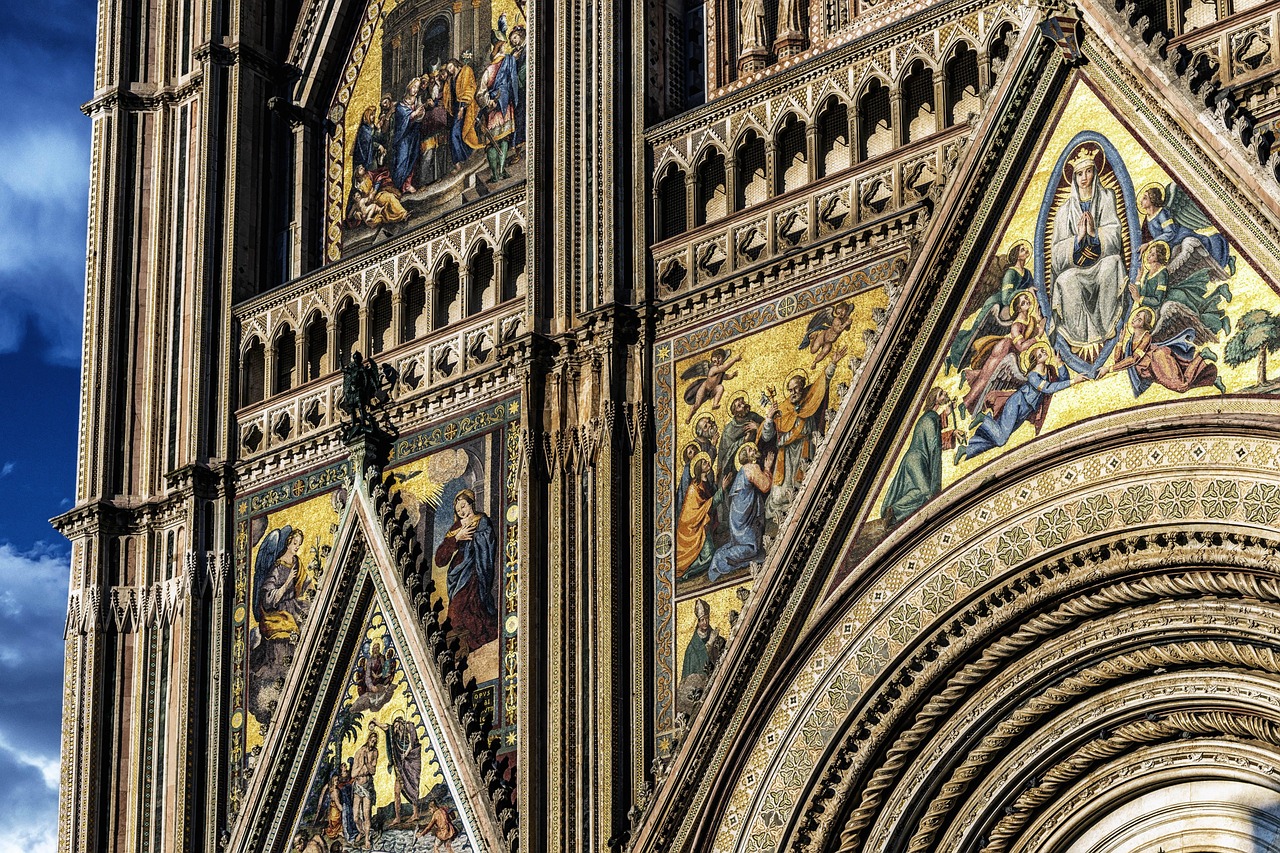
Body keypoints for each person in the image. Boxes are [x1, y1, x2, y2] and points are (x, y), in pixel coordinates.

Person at [1049, 143, 1130, 362]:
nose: (1084, 177)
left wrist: (1095, 234)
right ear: (1074, 178)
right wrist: (1077, 240)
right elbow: (1056, 257)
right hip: (1077, 268)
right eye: (1079, 174)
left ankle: (1106, 328)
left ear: (1095, 173)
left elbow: (1115, 234)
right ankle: (1078, 337)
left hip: (1101, 261)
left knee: (1112, 264)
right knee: (1066, 280)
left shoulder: (1106, 197)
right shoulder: (1064, 211)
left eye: (1089, 171)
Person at [957, 343, 1087, 462]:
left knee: (995, 438)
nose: (1043, 353)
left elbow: (1062, 381)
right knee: (1002, 439)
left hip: (1025, 411)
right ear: (1035, 360)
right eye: (1040, 354)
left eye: (1043, 351)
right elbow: (1047, 388)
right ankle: (984, 418)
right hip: (1017, 404)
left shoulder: (1049, 370)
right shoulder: (1033, 375)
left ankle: (967, 449)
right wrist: (1073, 381)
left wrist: (1060, 364)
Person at [947, 241, 1033, 371]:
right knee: (977, 331)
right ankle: (956, 356)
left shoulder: (1027, 273)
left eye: (1026, 249)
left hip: (1016, 306)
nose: (1026, 250)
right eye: (1022, 249)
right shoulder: (1011, 273)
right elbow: (1005, 297)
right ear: (1016, 255)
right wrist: (1025, 292)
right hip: (996, 305)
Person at [1099, 306, 1224, 395]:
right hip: (1153, 370)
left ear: (1144, 324)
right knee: (1184, 377)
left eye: (1140, 319)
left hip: (1158, 359)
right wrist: (1120, 342)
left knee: (1180, 385)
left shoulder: (1146, 337)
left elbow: (1134, 359)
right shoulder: (1130, 341)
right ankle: (1213, 380)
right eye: (1137, 315)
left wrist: (1108, 369)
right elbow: (1119, 361)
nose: (1135, 318)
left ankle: (1202, 355)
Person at [881, 389, 961, 527]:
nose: (946, 394)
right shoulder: (931, 419)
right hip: (918, 460)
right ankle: (894, 510)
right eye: (941, 394)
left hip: (911, 459)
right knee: (928, 493)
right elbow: (934, 444)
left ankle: (894, 509)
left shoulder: (927, 418)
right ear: (935, 400)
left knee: (920, 490)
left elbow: (932, 432)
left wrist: (947, 416)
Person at [761, 357, 842, 493]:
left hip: (805, 447)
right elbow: (766, 436)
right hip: (785, 456)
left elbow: (821, 384)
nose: (793, 393)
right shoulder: (783, 408)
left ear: (802, 387)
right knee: (781, 493)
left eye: (796, 389)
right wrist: (769, 418)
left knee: (804, 482)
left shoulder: (808, 399)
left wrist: (832, 364)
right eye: (790, 390)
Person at [434, 489, 499, 654]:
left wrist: (475, 539)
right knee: (456, 607)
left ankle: (466, 639)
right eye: (458, 510)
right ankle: (458, 641)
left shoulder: (481, 521)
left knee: (467, 607)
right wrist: (457, 538)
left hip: (475, 571)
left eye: (463, 506)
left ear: (471, 503)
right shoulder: (456, 527)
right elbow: (440, 559)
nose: (462, 511)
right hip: (458, 571)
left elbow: (488, 543)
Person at [960, 290, 1043, 415]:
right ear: (1018, 308)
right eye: (1023, 302)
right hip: (1004, 348)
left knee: (986, 374)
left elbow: (1035, 327)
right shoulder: (1016, 325)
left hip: (1011, 352)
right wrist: (1037, 337)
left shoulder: (1030, 318)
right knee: (985, 378)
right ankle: (964, 404)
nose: (1027, 301)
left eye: (1027, 298)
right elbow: (1020, 346)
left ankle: (968, 374)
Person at [1129, 240, 1231, 337]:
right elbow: (1143, 294)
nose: (1149, 255)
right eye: (1149, 252)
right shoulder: (1147, 274)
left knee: (1198, 315)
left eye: (1153, 254)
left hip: (1175, 298)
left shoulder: (1162, 274)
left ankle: (1221, 319)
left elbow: (1157, 300)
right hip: (1157, 305)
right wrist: (1138, 280)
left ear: (1159, 257)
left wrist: (1139, 298)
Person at [708, 442, 775, 581]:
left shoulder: (742, 471)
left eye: (752, 448)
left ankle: (725, 554)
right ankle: (721, 559)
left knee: (744, 544)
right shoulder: (751, 467)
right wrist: (768, 468)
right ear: (746, 457)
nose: (753, 449)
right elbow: (765, 486)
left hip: (738, 514)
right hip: (744, 515)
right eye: (749, 450)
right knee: (753, 549)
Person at [255, 527, 310, 642]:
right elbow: (266, 598)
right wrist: (287, 582)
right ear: (288, 543)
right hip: (279, 611)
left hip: (294, 605)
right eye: (294, 543)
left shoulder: (296, 562)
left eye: (299, 544)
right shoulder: (278, 566)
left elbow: (305, 581)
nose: (297, 547)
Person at [370, 716, 422, 827]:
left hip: (411, 762)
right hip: (400, 765)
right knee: (397, 790)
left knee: (412, 787)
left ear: (401, 723)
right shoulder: (394, 733)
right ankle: (398, 817)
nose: (396, 730)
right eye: (395, 728)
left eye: (398, 727)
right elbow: (386, 728)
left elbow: (413, 743)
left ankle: (416, 813)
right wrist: (376, 722)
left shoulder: (409, 726)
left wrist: (406, 753)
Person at [675, 452, 717, 579]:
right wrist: (721, 492)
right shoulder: (694, 488)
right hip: (693, 529)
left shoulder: (706, 481)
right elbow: (695, 511)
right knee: (709, 555)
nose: (708, 463)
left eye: (707, 461)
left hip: (702, 523)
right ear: (699, 467)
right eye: (704, 462)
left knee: (709, 553)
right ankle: (687, 573)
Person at [390, 79, 426, 193]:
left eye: (417, 87)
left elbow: (420, 116)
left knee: (412, 158)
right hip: (403, 138)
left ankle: (407, 184)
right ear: (408, 87)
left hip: (414, 135)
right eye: (414, 87)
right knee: (402, 160)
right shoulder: (400, 106)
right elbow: (402, 122)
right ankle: (398, 186)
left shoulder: (417, 102)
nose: (415, 90)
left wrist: (420, 114)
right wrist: (413, 115)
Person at [447, 56, 482, 167]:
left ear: (455, 63)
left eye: (450, 67)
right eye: (448, 69)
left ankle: (459, 160)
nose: (449, 70)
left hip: (466, 106)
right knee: (458, 133)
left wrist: (462, 107)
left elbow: (469, 88)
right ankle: (463, 158)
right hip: (457, 108)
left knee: (455, 133)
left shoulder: (466, 70)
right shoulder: (451, 79)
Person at [681, 599, 724, 677]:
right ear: (698, 622)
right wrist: (709, 644)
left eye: (707, 618)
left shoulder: (715, 637)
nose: (705, 622)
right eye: (702, 620)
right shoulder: (692, 648)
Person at [351, 731, 379, 849]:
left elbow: (373, 771)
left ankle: (367, 838)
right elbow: (353, 774)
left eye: (375, 742)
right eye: (371, 741)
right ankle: (361, 831)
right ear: (368, 740)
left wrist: (367, 763)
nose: (373, 743)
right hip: (358, 786)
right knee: (356, 817)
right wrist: (361, 763)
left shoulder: (375, 752)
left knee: (366, 815)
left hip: (367, 786)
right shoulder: (359, 752)